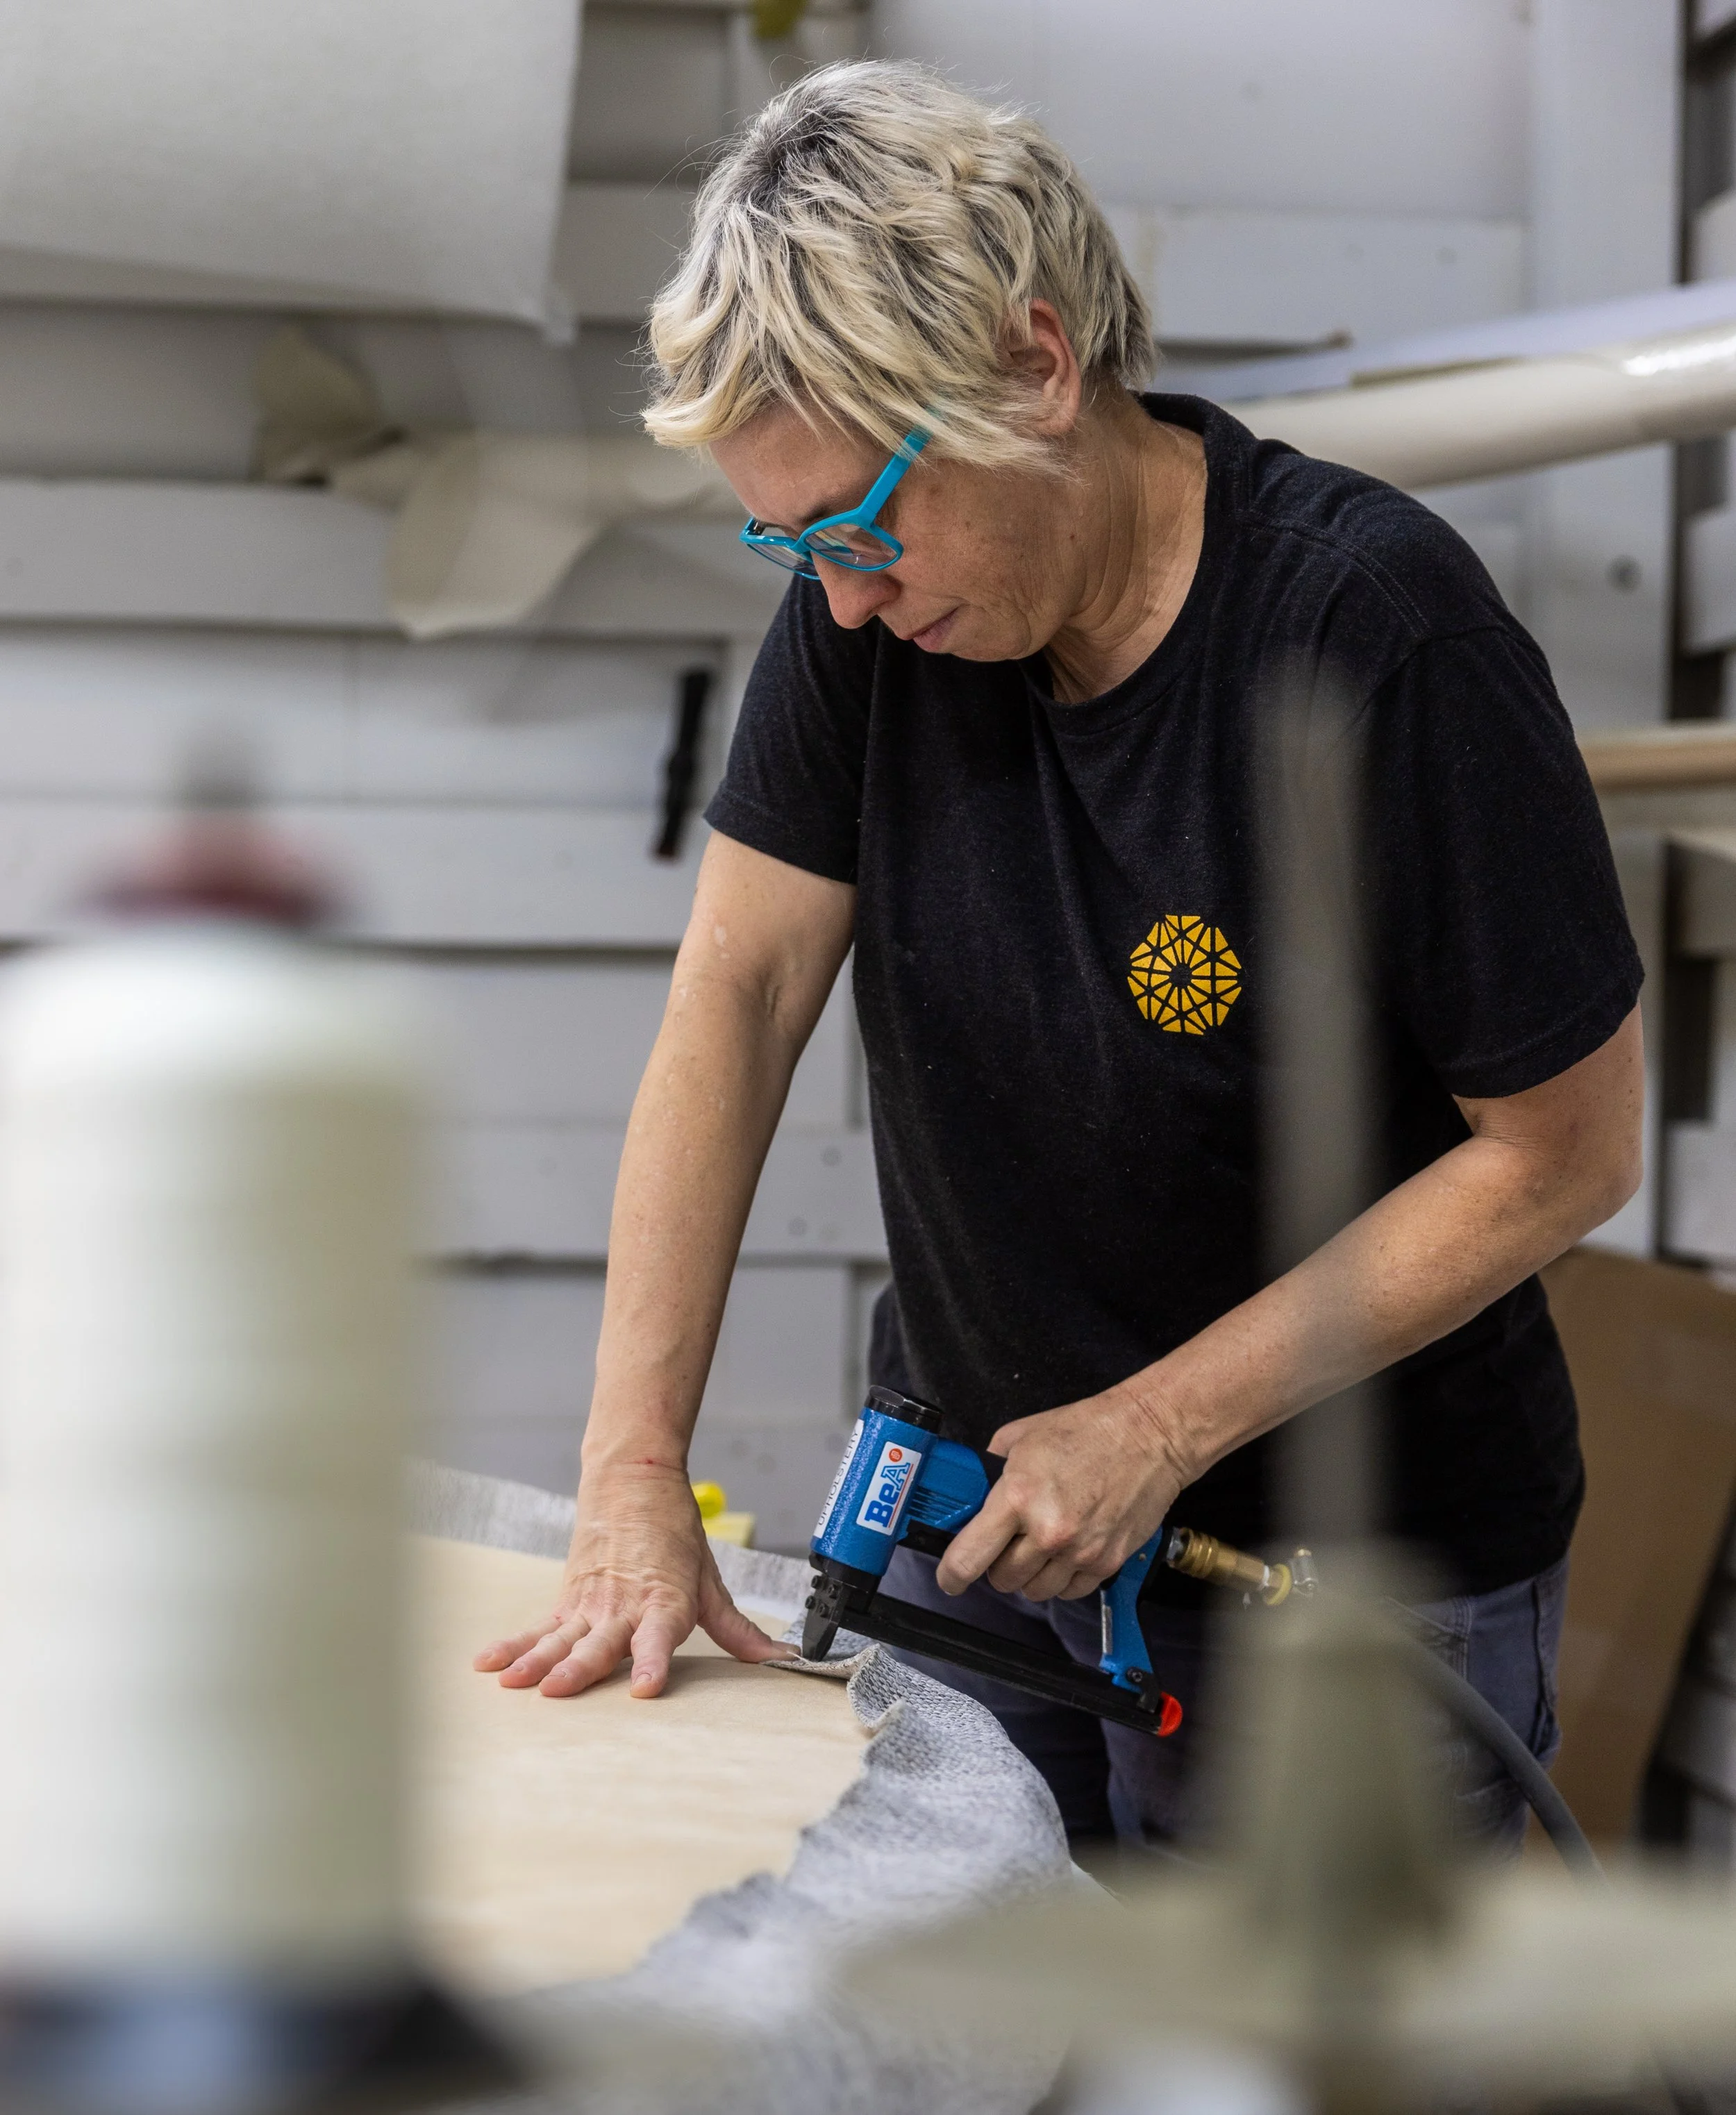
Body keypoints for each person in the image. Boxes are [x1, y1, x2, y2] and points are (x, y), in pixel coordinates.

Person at [475, 61, 1644, 1853]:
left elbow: (1564, 1152)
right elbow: (743, 990)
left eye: (863, 526)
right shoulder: (865, 613)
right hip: (978, 1512)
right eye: (790, 547)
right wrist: (632, 1470)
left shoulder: (1373, 638)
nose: (842, 597)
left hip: (1343, 1575)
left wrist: (1160, 1426)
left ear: (1033, 367)